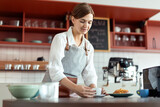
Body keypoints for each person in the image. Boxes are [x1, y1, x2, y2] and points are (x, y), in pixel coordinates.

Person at [43, 2, 106, 98]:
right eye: (82, 21)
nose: (86, 26)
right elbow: (55, 71)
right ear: (73, 19)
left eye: (89, 22)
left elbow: (89, 74)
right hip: (50, 92)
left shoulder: (88, 47)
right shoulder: (60, 39)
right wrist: (76, 88)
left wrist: (94, 90)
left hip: (71, 93)